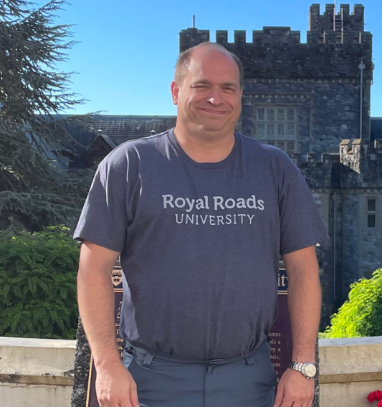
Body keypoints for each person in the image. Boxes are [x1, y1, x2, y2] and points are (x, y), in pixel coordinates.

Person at [75, 42, 328, 407]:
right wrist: (107, 365)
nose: (216, 98)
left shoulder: (276, 169)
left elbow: (303, 269)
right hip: (149, 381)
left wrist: (303, 364)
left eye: (228, 88)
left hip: (249, 379)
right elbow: (93, 268)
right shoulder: (129, 164)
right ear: (176, 91)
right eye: (202, 85)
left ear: (240, 95)